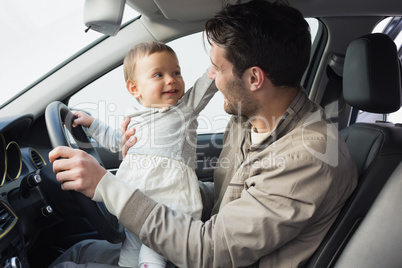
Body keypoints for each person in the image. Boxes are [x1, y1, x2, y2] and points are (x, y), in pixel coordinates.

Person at [49, 0, 358, 267]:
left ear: (254, 78)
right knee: (77, 253)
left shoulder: (308, 157)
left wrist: (106, 186)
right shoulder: (248, 119)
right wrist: (154, 180)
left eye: (217, 69)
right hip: (200, 243)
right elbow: (230, 202)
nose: (211, 78)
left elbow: (209, 251)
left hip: (208, 257)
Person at [69, 41, 217, 268]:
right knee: (128, 258)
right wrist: (92, 124)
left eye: (176, 72)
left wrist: (217, 67)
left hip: (167, 210)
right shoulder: (135, 117)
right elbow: (118, 143)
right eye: (158, 74)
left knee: (152, 256)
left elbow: (204, 86)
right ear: (134, 89)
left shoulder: (185, 109)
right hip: (134, 205)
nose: (171, 79)